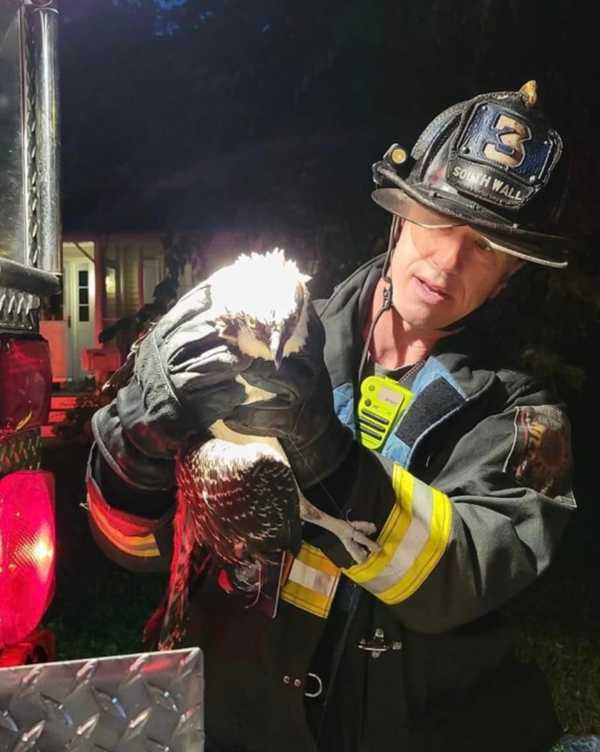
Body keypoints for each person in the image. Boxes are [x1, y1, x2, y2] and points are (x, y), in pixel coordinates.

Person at [86, 81, 575, 752]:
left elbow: (457, 579)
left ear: (512, 272)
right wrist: (139, 429)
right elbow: (133, 548)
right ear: (401, 213)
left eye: (487, 247)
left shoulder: (521, 417)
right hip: (243, 728)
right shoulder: (269, 336)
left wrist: (319, 445)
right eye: (439, 220)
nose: (449, 260)